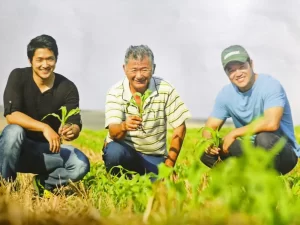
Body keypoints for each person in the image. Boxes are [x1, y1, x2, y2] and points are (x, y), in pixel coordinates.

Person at [0, 34, 90, 197]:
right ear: (30, 61)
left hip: (48, 152)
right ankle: (7, 189)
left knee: (80, 164)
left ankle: (42, 184)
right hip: (16, 150)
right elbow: (11, 115)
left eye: (50, 59)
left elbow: (75, 122)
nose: (45, 65)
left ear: (56, 59)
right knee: (13, 132)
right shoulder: (18, 76)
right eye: (39, 59)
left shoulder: (68, 87)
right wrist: (44, 127)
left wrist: (71, 130)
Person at [200, 45, 298, 174]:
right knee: (205, 151)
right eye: (231, 70)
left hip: (282, 152)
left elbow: (271, 123)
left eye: (241, 67)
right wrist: (209, 142)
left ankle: (267, 185)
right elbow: (210, 127)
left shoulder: (270, 85)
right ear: (227, 73)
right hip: (250, 150)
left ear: (251, 64)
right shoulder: (225, 94)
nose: (238, 73)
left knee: (264, 139)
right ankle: (240, 182)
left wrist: (234, 133)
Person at [103, 45, 191, 177]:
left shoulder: (166, 89)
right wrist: (124, 126)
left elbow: (180, 128)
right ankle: (121, 179)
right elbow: (114, 132)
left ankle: (147, 178)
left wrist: (169, 165)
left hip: (154, 157)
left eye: (144, 69)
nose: (139, 76)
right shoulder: (115, 92)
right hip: (127, 151)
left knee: (159, 188)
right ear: (124, 69)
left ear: (153, 69)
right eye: (134, 70)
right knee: (113, 152)